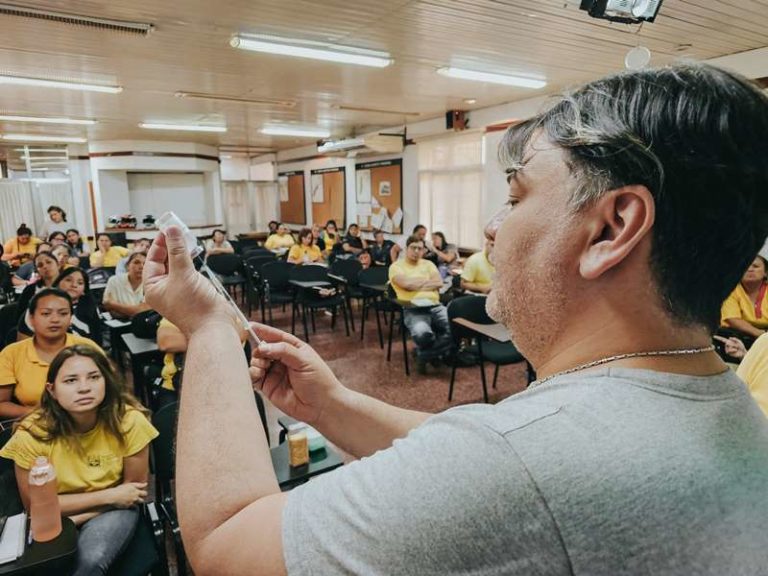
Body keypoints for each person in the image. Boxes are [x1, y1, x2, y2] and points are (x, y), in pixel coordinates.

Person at [142, 64, 768, 575]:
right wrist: (332, 407)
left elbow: (227, 545)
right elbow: (474, 455)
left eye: (517, 197)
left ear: (611, 228)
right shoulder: (725, 400)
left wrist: (209, 327)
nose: (492, 228)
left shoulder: (521, 464)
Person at [0, 345, 158, 575]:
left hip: (113, 512)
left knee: (89, 561)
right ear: (52, 390)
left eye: (94, 377)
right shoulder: (31, 433)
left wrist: (75, 514)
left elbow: (133, 494)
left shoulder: (129, 421)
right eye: (71, 381)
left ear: (106, 381)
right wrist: (108, 497)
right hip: (87, 509)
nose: (84, 388)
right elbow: (35, 508)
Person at [0, 289, 103, 419]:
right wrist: (41, 415)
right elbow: (2, 404)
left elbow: (113, 390)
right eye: (46, 314)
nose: (55, 319)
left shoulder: (88, 347)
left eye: (63, 313)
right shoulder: (12, 353)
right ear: (31, 318)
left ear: (71, 317)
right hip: (35, 424)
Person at [388, 234, 452, 372]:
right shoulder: (396, 266)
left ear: (424, 251)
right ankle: (433, 354)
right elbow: (406, 284)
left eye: (420, 249)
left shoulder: (429, 264)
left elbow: (439, 283)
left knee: (457, 328)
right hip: (413, 308)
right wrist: (427, 283)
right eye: (413, 248)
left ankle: (423, 355)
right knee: (422, 334)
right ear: (406, 249)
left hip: (435, 306)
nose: (417, 251)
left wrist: (414, 283)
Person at [720, 255, 768, 346]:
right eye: (745, 266)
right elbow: (732, 319)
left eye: (755, 266)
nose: (750, 269)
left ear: (765, 272)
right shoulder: (730, 290)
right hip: (736, 337)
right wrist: (761, 335)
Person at [52, 267, 103, 345]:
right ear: (58, 283)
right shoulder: (46, 305)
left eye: (80, 283)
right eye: (68, 280)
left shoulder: (90, 307)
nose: (74, 285)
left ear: (84, 291)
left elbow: (97, 339)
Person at [102, 253, 150, 320]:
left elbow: (141, 312)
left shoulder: (151, 284)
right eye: (136, 262)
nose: (141, 266)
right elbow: (107, 306)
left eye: (145, 264)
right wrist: (135, 310)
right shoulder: (114, 281)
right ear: (127, 266)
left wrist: (113, 304)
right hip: (119, 325)